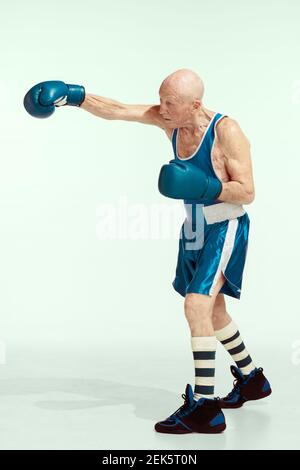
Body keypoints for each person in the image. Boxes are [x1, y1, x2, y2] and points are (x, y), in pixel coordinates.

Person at [23, 69, 272, 434]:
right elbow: (119, 109)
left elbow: (247, 191)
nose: (163, 108)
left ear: (195, 105)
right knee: (213, 311)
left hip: (225, 226)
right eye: (162, 99)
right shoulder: (169, 120)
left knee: (196, 305)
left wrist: (203, 184)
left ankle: (205, 406)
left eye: (171, 103)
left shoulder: (226, 131)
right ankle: (252, 379)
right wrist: (74, 97)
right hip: (194, 227)